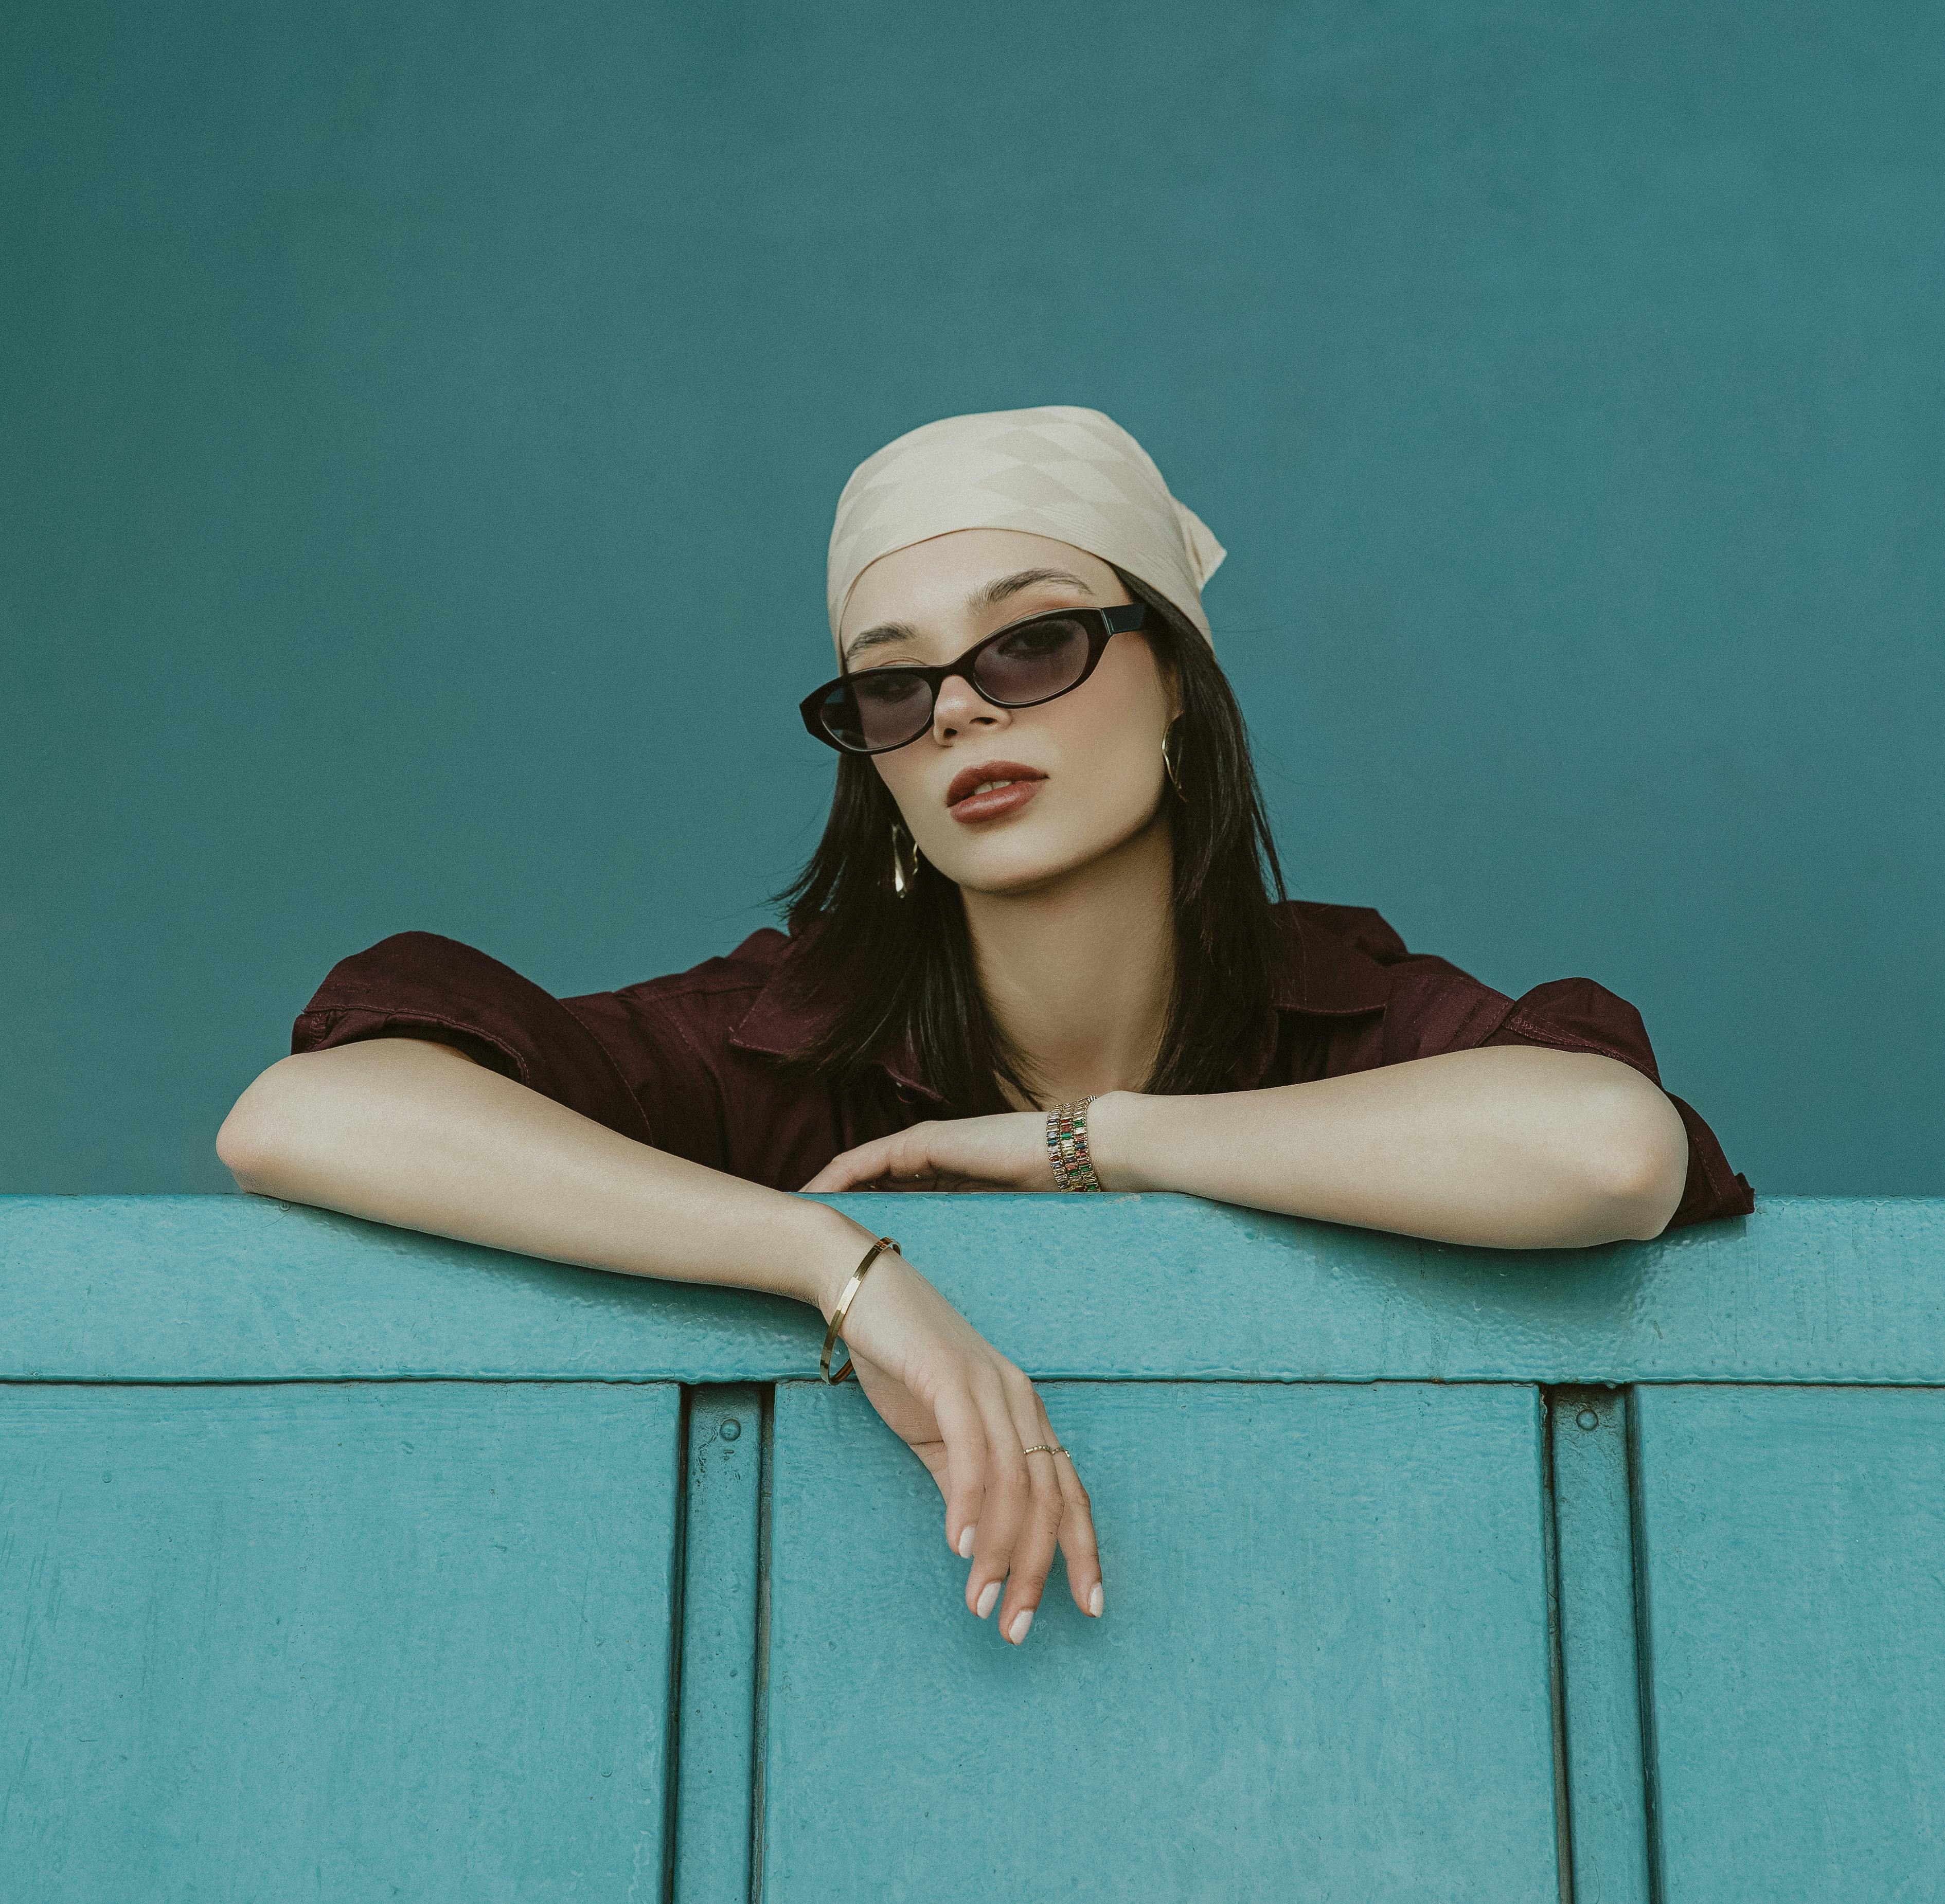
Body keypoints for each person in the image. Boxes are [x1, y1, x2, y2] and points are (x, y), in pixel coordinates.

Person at [217, 403, 1754, 1652]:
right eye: (891, 688)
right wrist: (839, 1267)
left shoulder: (1345, 1005)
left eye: (1029, 645)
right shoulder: (776, 1037)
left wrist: (1089, 1144)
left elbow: (1609, 1153)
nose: (957, 710)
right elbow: (303, 1116)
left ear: (1180, 691)